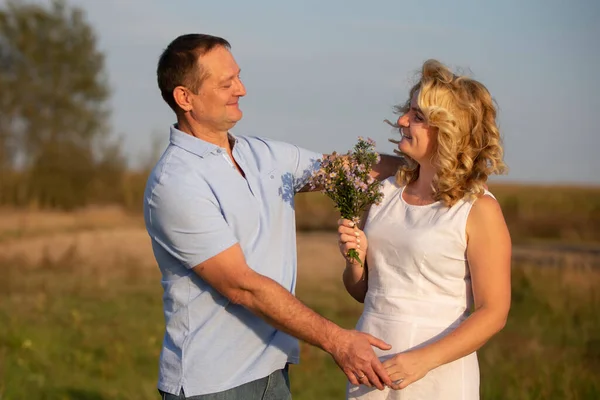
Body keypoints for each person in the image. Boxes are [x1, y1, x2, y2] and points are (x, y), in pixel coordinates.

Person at [143, 33, 403, 399]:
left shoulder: (262, 154)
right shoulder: (175, 183)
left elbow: (350, 168)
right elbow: (242, 286)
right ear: (185, 98)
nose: (242, 89)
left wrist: (432, 169)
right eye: (226, 83)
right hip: (213, 384)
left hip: (273, 372)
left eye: (238, 76)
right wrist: (338, 341)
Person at [337, 59, 512, 399]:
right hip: (370, 366)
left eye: (417, 116)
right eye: (408, 111)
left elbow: (494, 312)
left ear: (449, 130)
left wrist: (421, 361)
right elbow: (365, 292)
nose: (402, 120)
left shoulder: (478, 209)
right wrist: (353, 260)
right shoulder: (385, 192)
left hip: (436, 373)